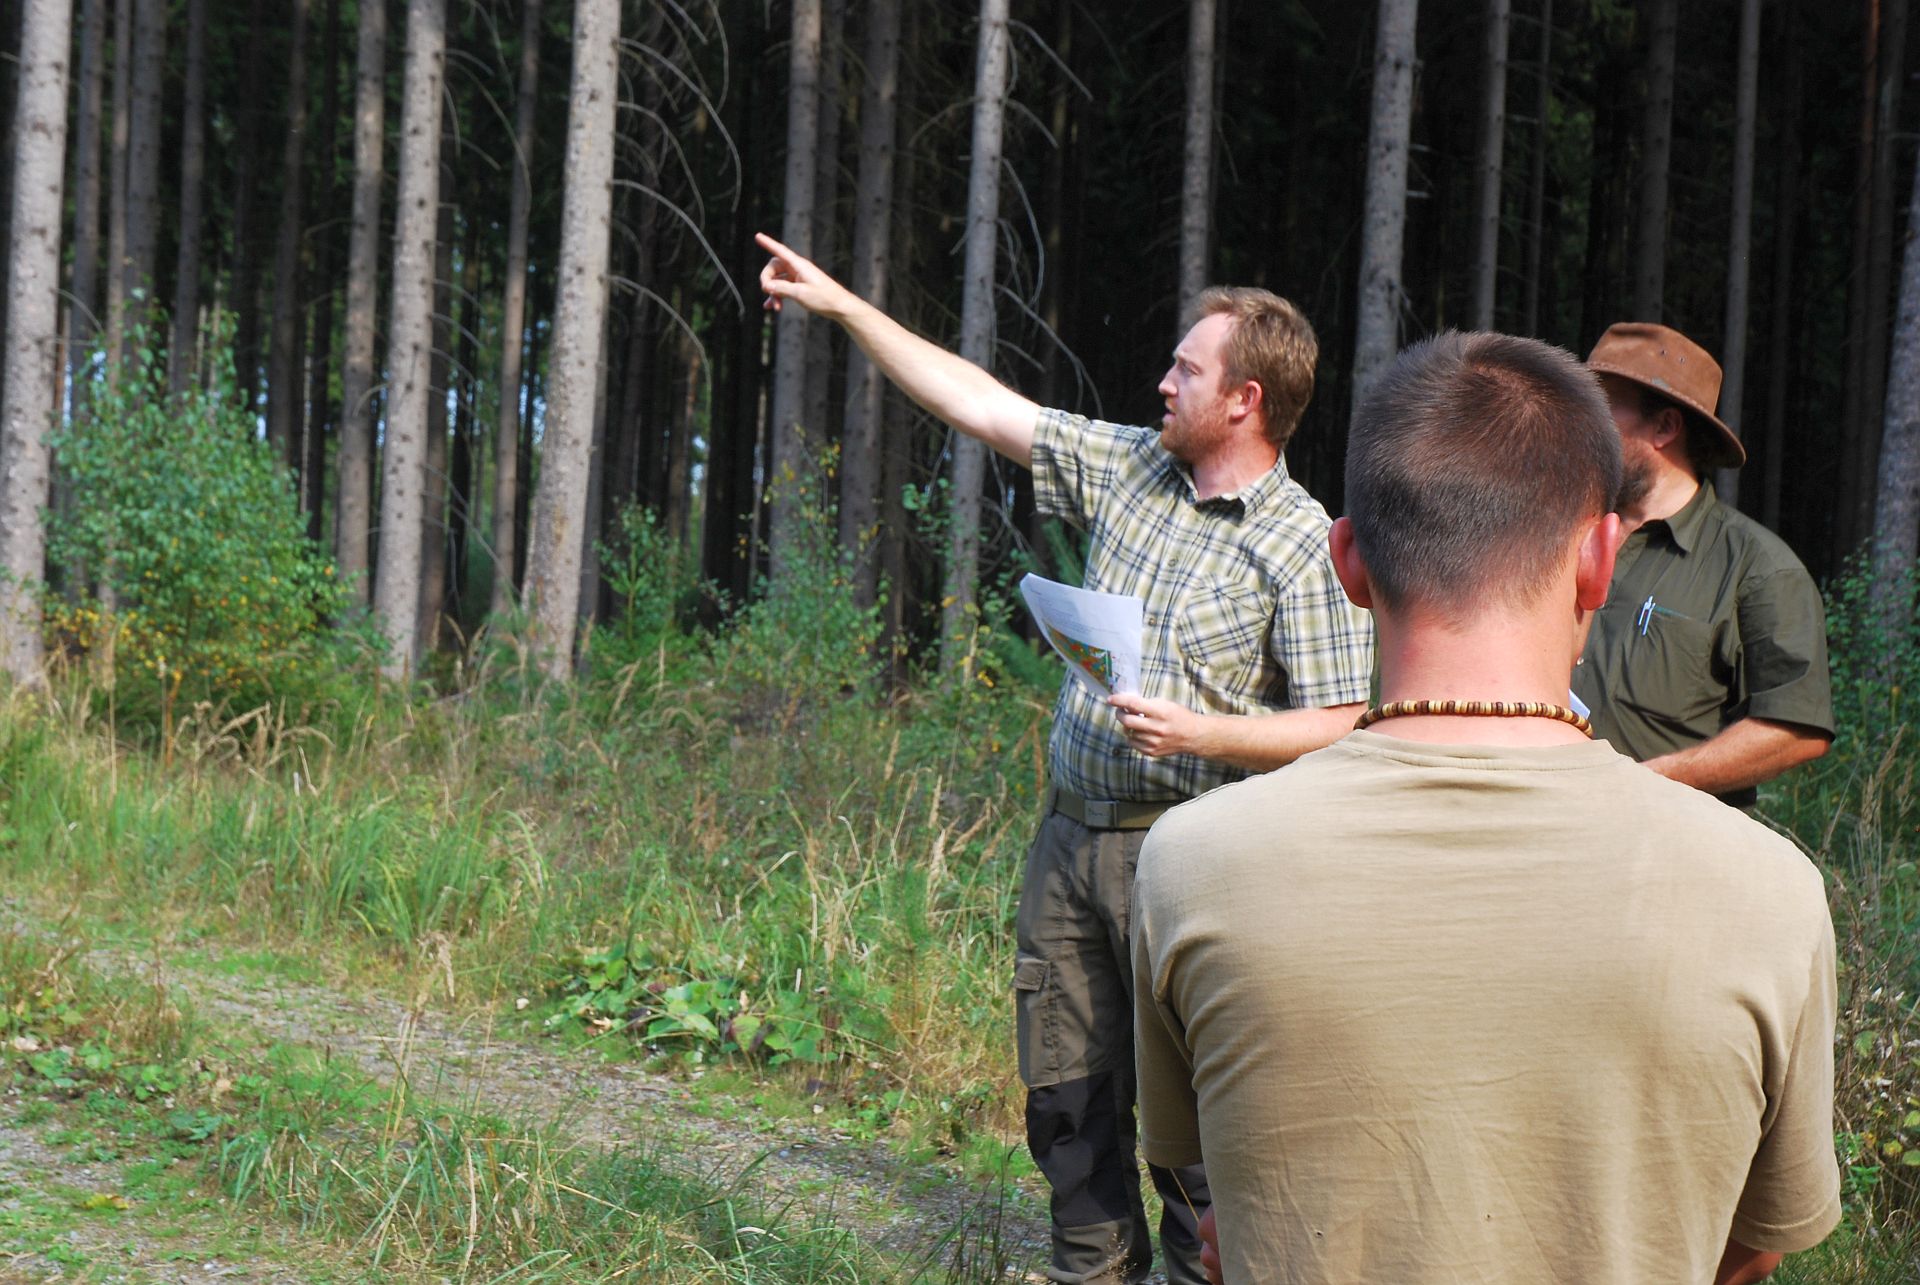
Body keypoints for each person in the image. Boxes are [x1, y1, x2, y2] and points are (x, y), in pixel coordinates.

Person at [1134, 332, 1839, 1285]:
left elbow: (1214, 1184)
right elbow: (1754, 1243)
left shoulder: (1191, 861)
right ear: (1600, 561)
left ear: (1348, 560)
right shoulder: (1773, 894)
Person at [757, 232, 1374, 1285]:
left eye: (1186, 368)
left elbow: (1347, 721)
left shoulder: (1299, 543)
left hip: (1191, 861)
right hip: (1068, 841)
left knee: (1192, 1132)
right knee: (1066, 1099)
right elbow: (979, 403)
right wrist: (848, 308)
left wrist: (1206, 733)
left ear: (1247, 400)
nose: (1163, 382)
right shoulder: (1131, 466)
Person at [1573, 322, 1832, 807]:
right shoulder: (1561, 537)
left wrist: (1650, 782)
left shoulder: (1759, 569)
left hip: (1668, 841)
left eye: (1601, 410)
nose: (1582, 429)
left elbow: (1797, 729)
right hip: (1547, 827)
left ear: (1665, 428)